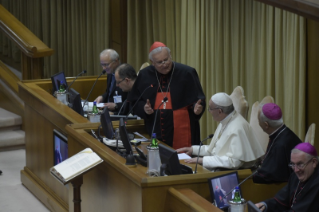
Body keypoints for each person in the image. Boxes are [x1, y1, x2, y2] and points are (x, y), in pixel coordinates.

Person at [127, 41, 206, 149]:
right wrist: (144, 109)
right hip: (155, 131)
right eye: (159, 62)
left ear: (170, 56)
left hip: (183, 131)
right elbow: (135, 101)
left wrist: (197, 109)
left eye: (166, 59)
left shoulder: (187, 73)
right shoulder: (144, 75)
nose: (164, 64)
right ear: (152, 62)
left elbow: (199, 100)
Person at [177, 93, 264, 170]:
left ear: (220, 111)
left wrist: (202, 160)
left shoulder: (237, 128)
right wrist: (193, 149)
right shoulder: (226, 120)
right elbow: (216, 150)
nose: (209, 112)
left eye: (210, 109)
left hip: (239, 174)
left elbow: (234, 162)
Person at [256, 142, 319, 211]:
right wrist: (264, 205)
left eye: (300, 164)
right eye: (292, 164)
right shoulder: (295, 176)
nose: (296, 170)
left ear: (314, 162)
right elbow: (280, 201)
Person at [253, 103, 301, 184]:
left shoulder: (279, 145)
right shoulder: (285, 133)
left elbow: (268, 175)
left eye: (258, 121)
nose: (258, 123)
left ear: (266, 125)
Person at [94, 49, 127, 114]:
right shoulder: (110, 73)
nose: (104, 68)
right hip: (107, 111)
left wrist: (116, 106)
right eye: (102, 65)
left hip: (119, 113)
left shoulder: (125, 74)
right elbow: (109, 92)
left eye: (106, 64)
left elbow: (131, 101)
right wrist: (102, 97)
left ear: (116, 61)